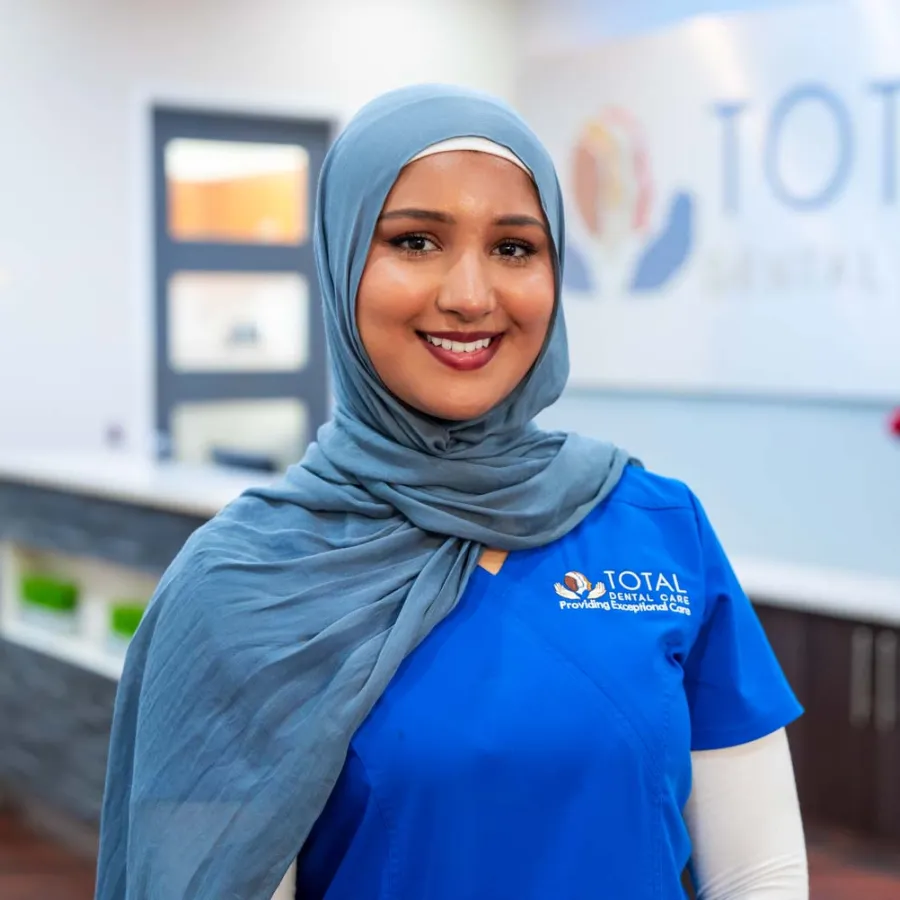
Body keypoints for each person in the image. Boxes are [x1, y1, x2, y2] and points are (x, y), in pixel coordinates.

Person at [95, 84, 808, 900]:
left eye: (513, 249)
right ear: (340, 261)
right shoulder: (238, 585)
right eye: (416, 241)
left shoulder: (658, 528)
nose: (471, 295)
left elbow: (760, 874)